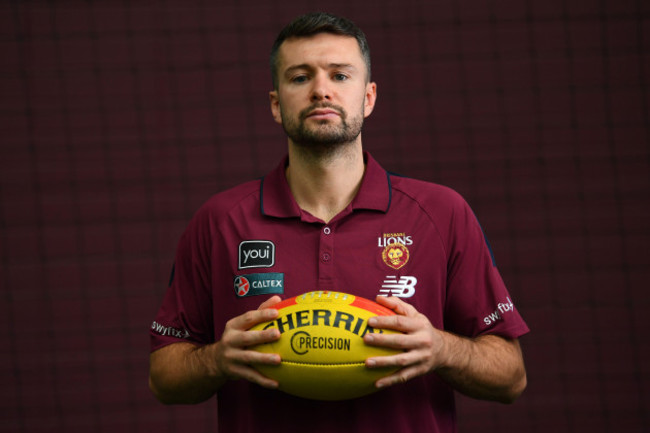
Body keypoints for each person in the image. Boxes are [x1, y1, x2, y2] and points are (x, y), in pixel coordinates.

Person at [149, 11, 528, 433]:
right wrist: (217, 360)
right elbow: (163, 377)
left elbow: (511, 377)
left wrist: (441, 349)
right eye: (299, 77)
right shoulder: (219, 221)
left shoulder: (442, 212)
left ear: (368, 97)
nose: (321, 91)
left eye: (340, 76)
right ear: (276, 105)